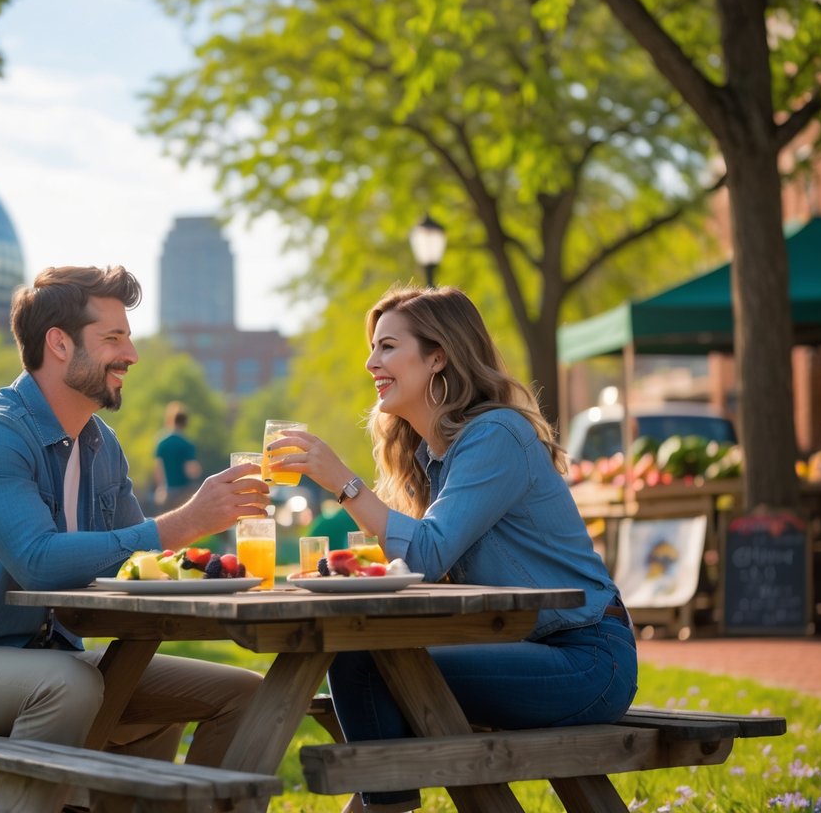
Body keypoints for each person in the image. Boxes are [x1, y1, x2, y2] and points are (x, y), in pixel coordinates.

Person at [0, 265, 269, 813]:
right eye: (113, 338)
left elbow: (140, 563)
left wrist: (220, 567)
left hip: (55, 662)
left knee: (246, 697)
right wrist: (183, 521)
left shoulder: (100, 444)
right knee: (71, 687)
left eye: (128, 337)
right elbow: (37, 561)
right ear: (59, 344)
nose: (131, 354)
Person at [269, 285, 638, 813]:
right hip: (525, 649)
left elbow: (426, 553)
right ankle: (384, 802)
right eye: (373, 348)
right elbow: (419, 567)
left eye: (388, 347)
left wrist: (344, 483)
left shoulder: (497, 435)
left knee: (368, 669)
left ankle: (383, 804)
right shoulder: (430, 458)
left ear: (438, 355)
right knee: (362, 663)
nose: (371, 362)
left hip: (585, 660)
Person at [153, 401, 202, 512]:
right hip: (183, 493)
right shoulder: (186, 444)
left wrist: (160, 488)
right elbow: (191, 471)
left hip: (167, 492)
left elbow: (158, 470)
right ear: (185, 423)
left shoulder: (161, 442)